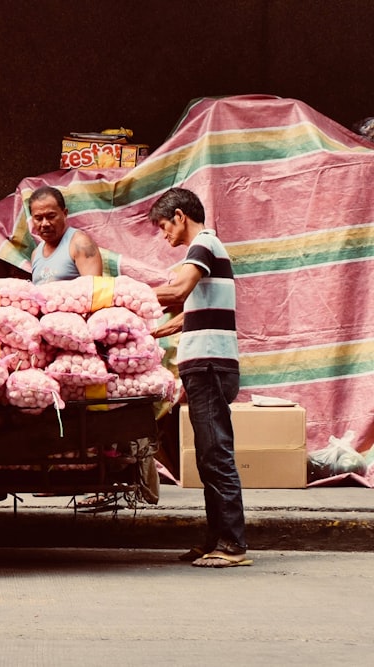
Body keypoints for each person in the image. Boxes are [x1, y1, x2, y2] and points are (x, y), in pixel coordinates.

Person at [149, 187, 251, 568]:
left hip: (209, 367)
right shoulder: (208, 250)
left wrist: (125, 295)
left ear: (179, 216)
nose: (164, 235)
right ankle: (215, 539)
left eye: (164, 226)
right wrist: (167, 329)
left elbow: (179, 290)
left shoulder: (203, 245)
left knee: (216, 453)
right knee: (210, 456)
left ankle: (232, 545)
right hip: (206, 365)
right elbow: (196, 307)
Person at [27, 186, 103, 284]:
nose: (45, 223)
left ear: (65, 213)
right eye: (38, 218)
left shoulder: (81, 244)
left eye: (51, 216)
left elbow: (94, 292)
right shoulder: (36, 254)